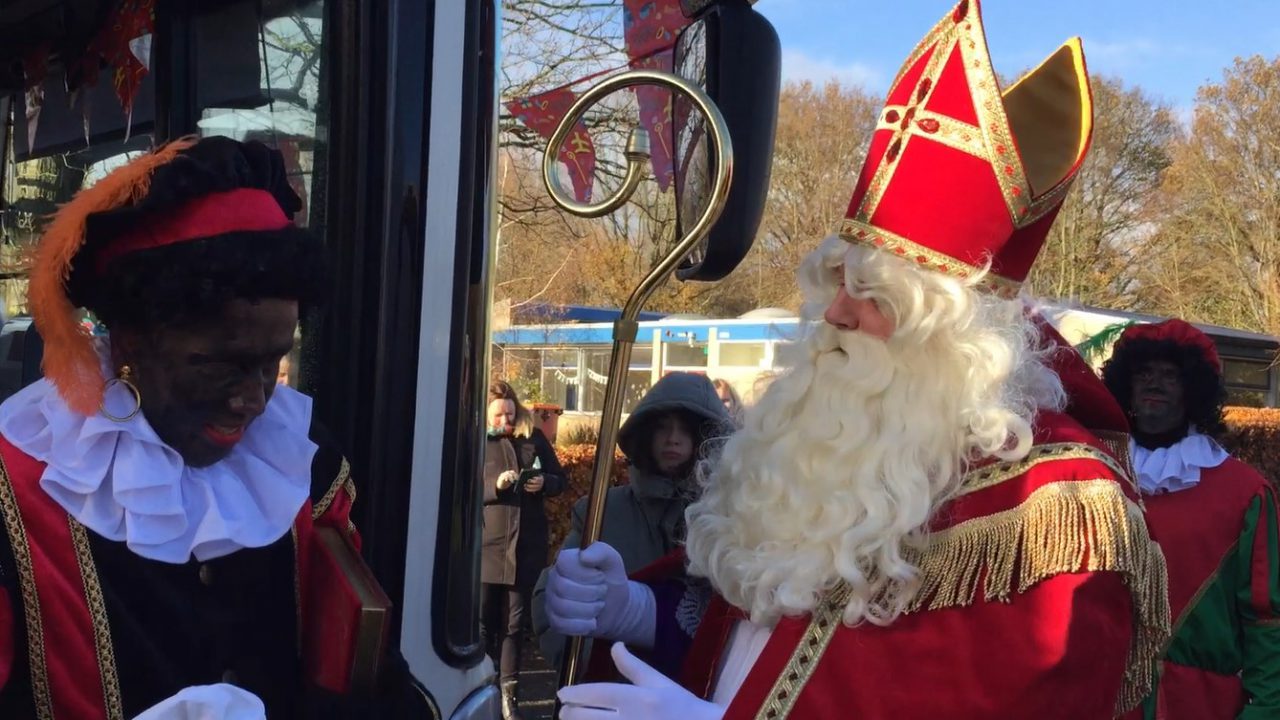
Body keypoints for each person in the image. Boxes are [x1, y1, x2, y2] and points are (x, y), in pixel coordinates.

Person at [547, 2, 1169, 718]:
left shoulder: (1053, 510)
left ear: (955, 333)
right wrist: (638, 612)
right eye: (837, 284)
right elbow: (764, 633)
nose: (837, 314)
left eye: (872, 294)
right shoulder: (834, 446)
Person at [0, 137, 420, 718]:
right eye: (222, 365)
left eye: (272, 362)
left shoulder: (304, 462)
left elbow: (376, 681)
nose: (254, 400)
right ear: (130, 341)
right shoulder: (19, 485)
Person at [1103, 320, 1280, 719]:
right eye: (1143, 373)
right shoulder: (1092, 478)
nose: (1154, 383)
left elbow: (1267, 617)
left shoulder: (1244, 492)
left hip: (1201, 705)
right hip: (1103, 698)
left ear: (1194, 389)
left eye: (1170, 375)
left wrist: (1266, 711)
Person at [531, 371, 732, 668]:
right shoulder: (603, 511)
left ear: (705, 437)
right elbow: (554, 605)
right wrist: (598, 665)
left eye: (685, 429)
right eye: (663, 427)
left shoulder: (729, 515)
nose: (673, 439)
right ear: (645, 434)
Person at [483, 381, 567, 719]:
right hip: (488, 546)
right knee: (483, 622)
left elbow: (560, 479)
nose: (505, 420)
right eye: (498, 415)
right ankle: (482, 688)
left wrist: (545, 483)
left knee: (515, 625)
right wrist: (494, 486)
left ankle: (509, 697)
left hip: (525, 546)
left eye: (510, 413)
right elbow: (458, 484)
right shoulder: (476, 441)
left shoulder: (533, 438)